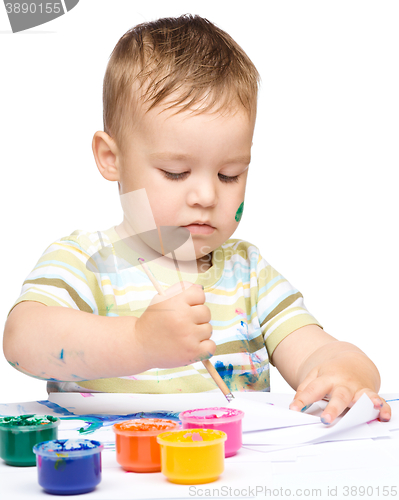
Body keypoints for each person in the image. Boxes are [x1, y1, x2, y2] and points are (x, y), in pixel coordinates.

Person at [3, 14, 390, 424]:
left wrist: (344, 375)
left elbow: (320, 350)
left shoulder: (249, 276)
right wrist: (140, 342)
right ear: (111, 158)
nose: (207, 195)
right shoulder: (87, 262)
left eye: (230, 174)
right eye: (176, 172)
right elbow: (21, 341)